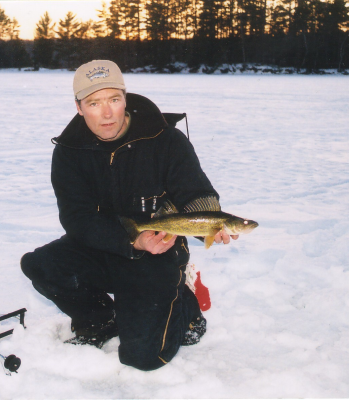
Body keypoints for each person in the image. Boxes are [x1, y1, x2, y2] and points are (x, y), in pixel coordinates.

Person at [21, 60, 237, 371]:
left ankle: (184, 307)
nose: (106, 113)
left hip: (158, 251)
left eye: (114, 100)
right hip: (104, 244)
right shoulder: (69, 151)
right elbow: (76, 217)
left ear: (125, 98)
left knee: (144, 358)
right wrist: (131, 239)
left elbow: (193, 190)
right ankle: (100, 320)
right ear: (79, 107)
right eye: (94, 103)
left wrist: (211, 220)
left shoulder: (165, 140)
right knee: (40, 265)